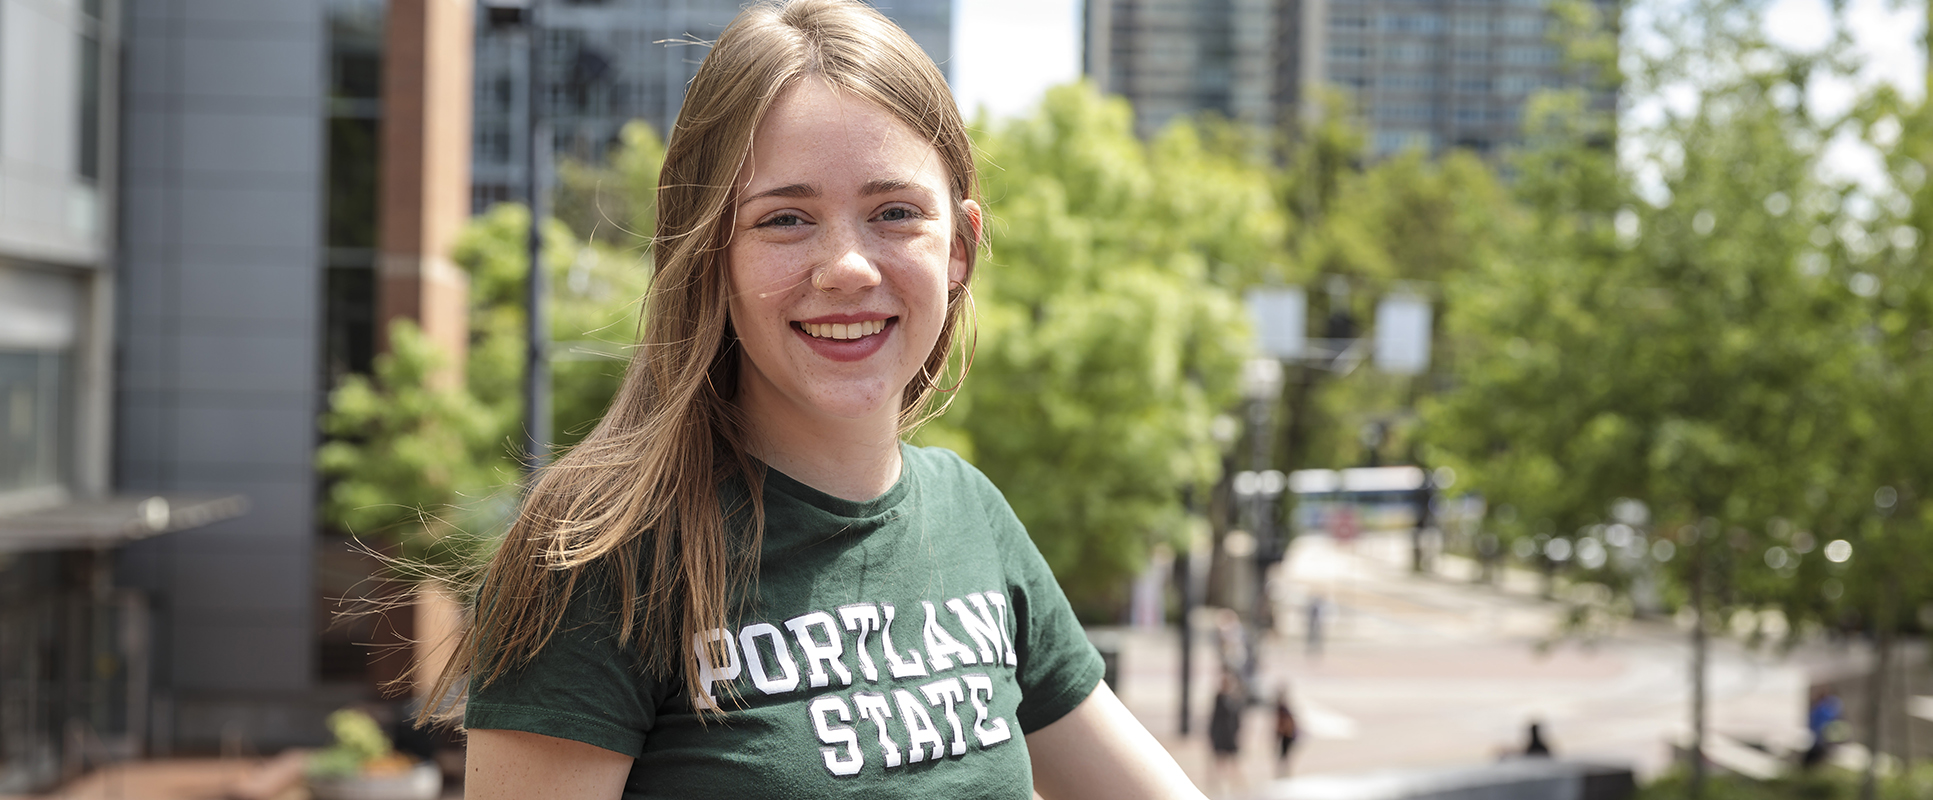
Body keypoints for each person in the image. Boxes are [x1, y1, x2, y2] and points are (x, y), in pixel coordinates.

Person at [421, 2, 1205, 798]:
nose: (848, 268)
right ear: (710, 254)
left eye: (894, 213)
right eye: (785, 219)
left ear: (960, 249)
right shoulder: (600, 555)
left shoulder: (972, 517)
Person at [1207, 671, 1245, 799]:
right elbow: (1215, 718)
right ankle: (1222, 786)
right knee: (1221, 762)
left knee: (1232, 761)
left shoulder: (1231, 699)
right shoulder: (1221, 699)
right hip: (1222, 735)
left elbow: (1236, 718)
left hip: (1229, 735)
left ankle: (1236, 786)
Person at [1274, 686, 1298, 777]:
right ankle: (1283, 772)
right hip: (1286, 734)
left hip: (1286, 734)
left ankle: (1284, 772)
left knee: (1284, 754)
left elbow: (1286, 723)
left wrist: (1282, 732)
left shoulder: (1283, 709)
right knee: (1283, 755)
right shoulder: (1282, 708)